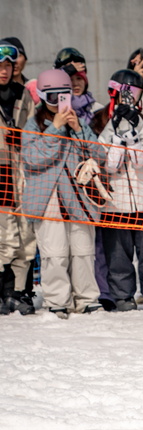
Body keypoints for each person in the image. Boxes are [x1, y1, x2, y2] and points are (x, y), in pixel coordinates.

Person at [22, 68, 103, 317]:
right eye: (53, 96)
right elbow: (34, 158)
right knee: (54, 252)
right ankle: (57, 300)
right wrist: (55, 129)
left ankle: (87, 298)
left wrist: (78, 129)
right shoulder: (33, 124)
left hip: (78, 197)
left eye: (63, 95)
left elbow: (99, 155)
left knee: (83, 250)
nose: (59, 102)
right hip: (48, 198)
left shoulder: (77, 122)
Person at [98, 68, 143, 311]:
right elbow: (107, 162)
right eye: (124, 93)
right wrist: (116, 135)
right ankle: (122, 294)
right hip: (114, 199)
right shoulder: (100, 119)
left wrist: (134, 130)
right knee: (117, 253)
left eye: (133, 94)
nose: (128, 99)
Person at [0, 40, 38, 315]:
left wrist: (22, 138)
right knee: (4, 236)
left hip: (21, 172)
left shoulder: (22, 94)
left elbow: (33, 128)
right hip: (1, 171)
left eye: (7, 66)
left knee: (26, 236)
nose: (3, 71)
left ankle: (20, 291)